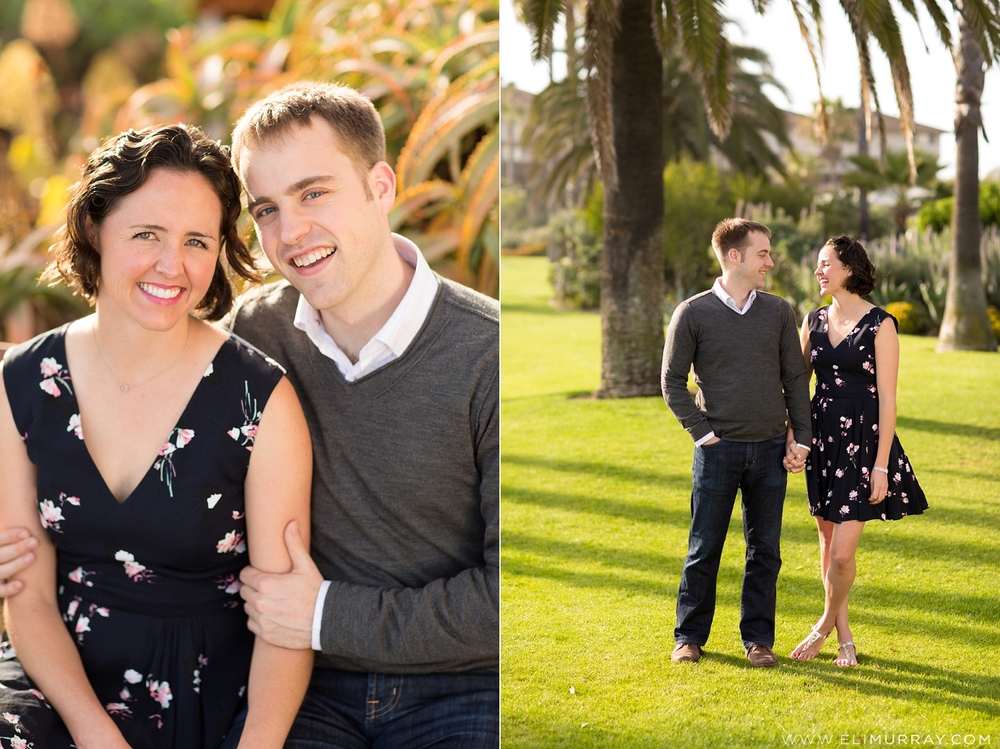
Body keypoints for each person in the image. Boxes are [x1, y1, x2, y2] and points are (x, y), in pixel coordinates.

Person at [0, 124, 313, 747]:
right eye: (147, 234)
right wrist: (95, 735)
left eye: (197, 241)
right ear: (96, 226)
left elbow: (285, 620)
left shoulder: (260, 399)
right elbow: (26, 599)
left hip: (208, 688)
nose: (172, 266)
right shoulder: (22, 383)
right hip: (59, 683)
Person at [225, 81, 497, 746]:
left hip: (463, 684)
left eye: (314, 192)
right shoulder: (255, 334)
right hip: (302, 681)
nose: (290, 233)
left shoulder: (487, 352)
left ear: (381, 187)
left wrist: (326, 613)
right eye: (266, 209)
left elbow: (510, 597)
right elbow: (127, 382)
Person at [661, 217, 812, 668]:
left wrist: (800, 438)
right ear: (734, 256)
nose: (770, 260)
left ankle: (758, 641)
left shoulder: (778, 311)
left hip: (769, 450)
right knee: (704, 546)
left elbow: (794, 379)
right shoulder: (693, 312)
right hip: (717, 450)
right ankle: (688, 637)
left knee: (765, 549)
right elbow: (671, 382)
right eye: (762, 253)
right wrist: (703, 433)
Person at [789, 235, 928, 667]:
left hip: (863, 442)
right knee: (827, 541)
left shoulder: (881, 324)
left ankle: (824, 624)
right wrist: (795, 436)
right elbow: (795, 384)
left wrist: (881, 465)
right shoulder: (811, 321)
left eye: (826, 263)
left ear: (849, 268)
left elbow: (888, 398)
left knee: (843, 551)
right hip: (822, 438)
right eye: (818, 264)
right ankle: (844, 635)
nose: (819, 271)